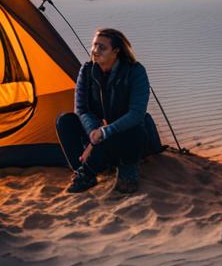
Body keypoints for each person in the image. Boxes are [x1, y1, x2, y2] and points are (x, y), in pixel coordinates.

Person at [56, 27, 151, 194]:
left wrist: (104, 132)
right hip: (98, 131)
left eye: (102, 47)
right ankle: (84, 171)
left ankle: (125, 169)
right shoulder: (87, 71)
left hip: (125, 134)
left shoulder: (135, 72)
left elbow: (136, 113)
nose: (95, 51)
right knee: (65, 121)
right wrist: (94, 132)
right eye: (94, 45)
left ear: (116, 51)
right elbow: (81, 109)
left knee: (132, 127)